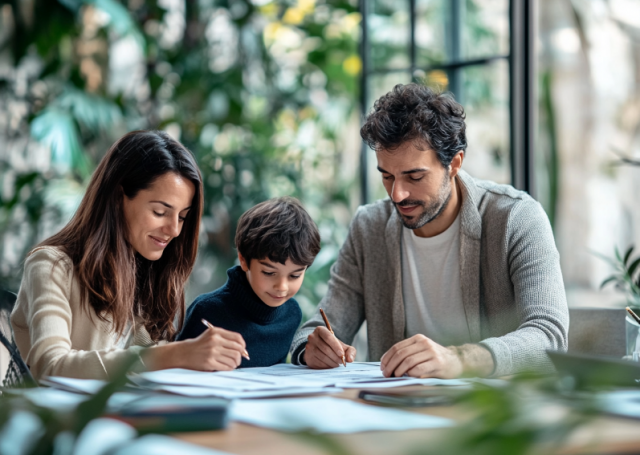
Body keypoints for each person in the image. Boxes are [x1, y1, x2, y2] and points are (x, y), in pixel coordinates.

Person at [289, 84, 569, 378]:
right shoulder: (368, 227)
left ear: (454, 164)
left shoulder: (516, 217)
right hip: (395, 408)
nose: (397, 194)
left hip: (493, 414)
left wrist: (460, 359)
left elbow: (549, 337)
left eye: (415, 176)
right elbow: (320, 326)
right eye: (387, 176)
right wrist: (312, 347)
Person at [10, 130, 249, 380]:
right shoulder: (51, 265)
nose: (174, 230)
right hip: (55, 417)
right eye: (159, 212)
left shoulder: (145, 269)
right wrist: (175, 354)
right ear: (117, 198)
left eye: (182, 217)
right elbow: (51, 366)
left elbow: (143, 364)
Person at [177, 197, 321, 368]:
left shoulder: (291, 313)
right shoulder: (207, 310)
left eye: (295, 276)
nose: (282, 287)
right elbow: (175, 367)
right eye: (269, 272)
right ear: (243, 260)